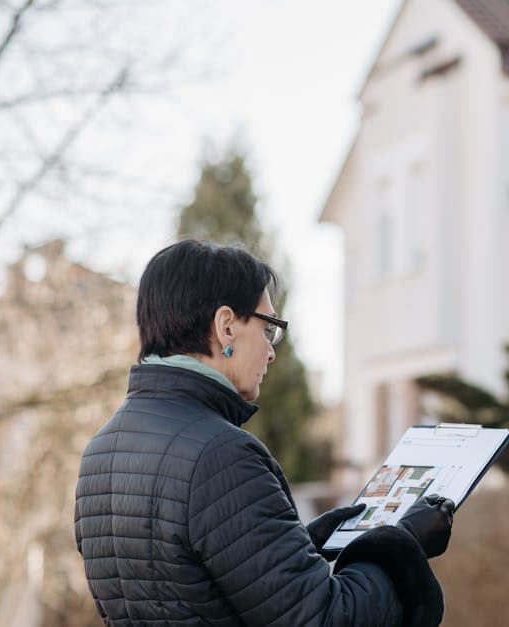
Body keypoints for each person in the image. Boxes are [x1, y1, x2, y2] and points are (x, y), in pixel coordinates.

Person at [75, 239, 454, 626]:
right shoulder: (221, 455)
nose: (271, 351)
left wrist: (301, 544)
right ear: (226, 326)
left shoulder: (101, 450)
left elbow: (191, 585)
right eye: (268, 328)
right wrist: (404, 542)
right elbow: (326, 619)